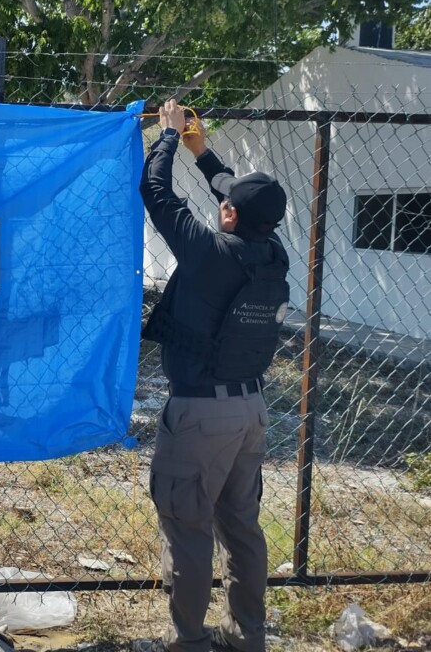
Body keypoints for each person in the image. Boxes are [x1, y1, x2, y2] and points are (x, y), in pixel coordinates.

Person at [136, 99, 290, 652]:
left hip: (200, 413)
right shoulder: (273, 255)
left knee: (189, 528)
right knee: (242, 526)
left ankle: (189, 641)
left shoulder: (207, 251)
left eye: (226, 203)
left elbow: (155, 191)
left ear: (228, 215)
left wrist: (168, 136)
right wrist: (203, 152)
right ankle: (247, 636)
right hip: (251, 410)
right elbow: (232, 194)